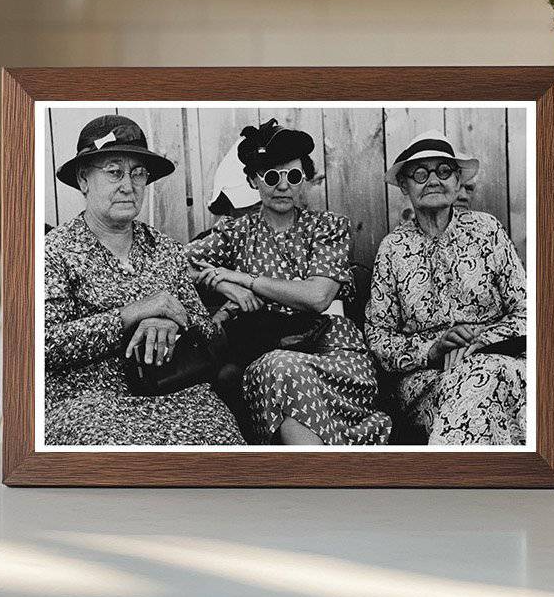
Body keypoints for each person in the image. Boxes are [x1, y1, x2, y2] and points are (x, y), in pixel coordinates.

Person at [43, 114, 244, 446]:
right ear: (83, 180)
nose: (128, 185)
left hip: (174, 392)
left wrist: (172, 320)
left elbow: (208, 331)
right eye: (114, 172)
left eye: (138, 173)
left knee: (222, 439)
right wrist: (134, 313)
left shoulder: (163, 248)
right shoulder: (55, 252)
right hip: (88, 404)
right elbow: (46, 345)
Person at [187, 118, 390, 445]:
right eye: (271, 176)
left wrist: (245, 279)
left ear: (304, 180)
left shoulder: (328, 227)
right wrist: (222, 285)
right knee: (281, 369)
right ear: (254, 180)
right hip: (265, 351)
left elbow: (317, 297)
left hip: (331, 348)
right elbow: (174, 263)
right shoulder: (236, 232)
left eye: (293, 176)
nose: (283, 186)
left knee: (285, 371)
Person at [365, 130, 526, 445]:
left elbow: (527, 310)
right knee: (476, 387)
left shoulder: (487, 231)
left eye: (444, 171)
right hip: (427, 379)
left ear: (457, 181)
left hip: (499, 360)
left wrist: (478, 342)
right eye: (421, 174)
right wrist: (433, 349)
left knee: (487, 375)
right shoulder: (393, 248)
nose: (434, 180)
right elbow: (378, 338)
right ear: (405, 186)